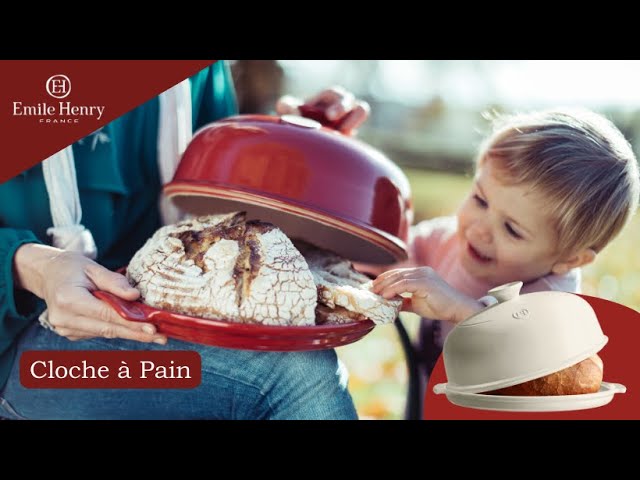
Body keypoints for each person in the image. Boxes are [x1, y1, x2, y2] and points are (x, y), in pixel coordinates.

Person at [0, 60, 371, 420]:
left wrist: (293, 145)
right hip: (24, 338)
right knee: (291, 376)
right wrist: (34, 268)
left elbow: (216, 211)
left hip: (165, 317)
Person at [370, 108, 640, 389]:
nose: (480, 230)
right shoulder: (452, 239)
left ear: (570, 258)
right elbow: (394, 252)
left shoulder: (553, 300)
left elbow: (527, 356)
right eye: (480, 200)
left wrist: (460, 309)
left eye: (511, 229)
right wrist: (379, 266)